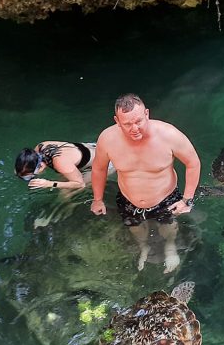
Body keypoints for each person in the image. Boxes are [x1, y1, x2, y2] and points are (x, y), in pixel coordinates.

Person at [90, 94, 200, 273]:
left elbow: (193, 163)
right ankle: (144, 247)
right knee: (134, 226)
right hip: (128, 197)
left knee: (168, 226)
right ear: (117, 121)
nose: (135, 128)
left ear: (147, 114)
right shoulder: (108, 139)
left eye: (139, 121)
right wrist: (97, 199)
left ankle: (170, 247)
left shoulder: (169, 135)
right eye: (127, 124)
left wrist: (187, 199)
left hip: (165, 197)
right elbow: (99, 169)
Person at [14, 141, 111, 191]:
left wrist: (49, 184)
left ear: (41, 166)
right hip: (95, 147)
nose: (31, 177)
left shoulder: (60, 162)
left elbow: (80, 184)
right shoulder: (40, 147)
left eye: (30, 176)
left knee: (65, 193)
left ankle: (67, 213)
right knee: (64, 177)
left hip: (106, 161)